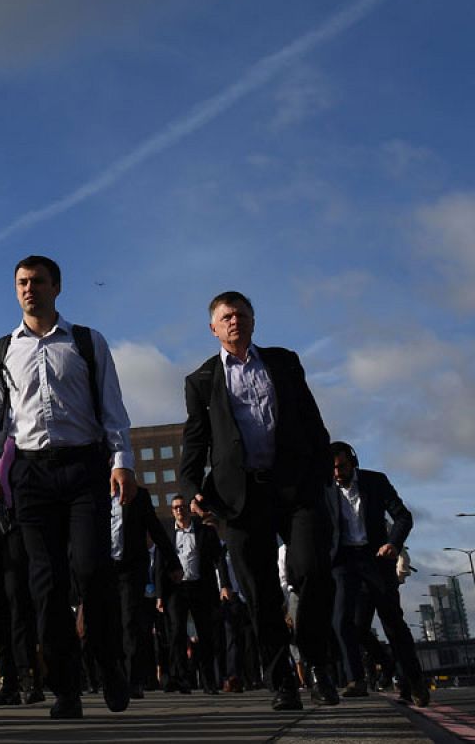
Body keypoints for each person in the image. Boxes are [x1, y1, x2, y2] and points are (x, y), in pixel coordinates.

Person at [0, 255, 136, 720]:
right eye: (22, 283)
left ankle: (110, 667)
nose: (30, 289)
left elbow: (112, 405)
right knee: (45, 586)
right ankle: (65, 688)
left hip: (84, 467)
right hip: (31, 473)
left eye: (38, 282)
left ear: (57, 287)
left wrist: (122, 461)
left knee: (91, 570)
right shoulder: (2, 350)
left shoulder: (87, 342)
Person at [179, 291, 336, 711]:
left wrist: (322, 474)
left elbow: (311, 420)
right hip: (240, 499)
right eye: (226, 317)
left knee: (314, 572)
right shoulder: (201, 381)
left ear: (253, 320)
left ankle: (318, 664)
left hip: (296, 487)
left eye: (242, 315)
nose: (235, 321)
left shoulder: (284, 362)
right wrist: (191, 487)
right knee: (261, 592)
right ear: (213, 327)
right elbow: (195, 442)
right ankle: (282, 680)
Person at [326, 441, 427, 705]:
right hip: (344, 561)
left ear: (353, 462)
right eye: (332, 468)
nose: (337, 473)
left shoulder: (375, 482)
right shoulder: (325, 489)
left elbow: (403, 516)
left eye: (342, 467)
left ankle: (414, 682)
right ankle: (355, 679)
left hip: (377, 558)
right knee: (342, 621)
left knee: (392, 622)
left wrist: (393, 543)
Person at [0, 433, 43, 707]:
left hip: (13, 521)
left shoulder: (16, 433)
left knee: (18, 597)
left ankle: (29, 677)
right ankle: (7, 681)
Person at [159, 493, 231, 695]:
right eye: (175, 507)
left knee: (205, 634)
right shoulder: (167, 534)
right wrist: (159, 595)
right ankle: (183, 680)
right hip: (176, 591)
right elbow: (159, 565)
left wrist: (224, 585)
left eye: (182, 506)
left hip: (200, 587)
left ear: (188, 509)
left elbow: (220, 559)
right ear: (172, 511)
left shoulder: (205, 532)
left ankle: (209, 682)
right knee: (177, 634)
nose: (179, 510)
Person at [111, 485, 175, 698]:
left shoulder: (138, 495)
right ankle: (113, 676)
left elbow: (154, 527)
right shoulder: (91, 491)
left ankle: (132, 680)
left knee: (130, 622)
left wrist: (173, 560)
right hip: (105, 568)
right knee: (111, 624)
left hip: (131, 567)